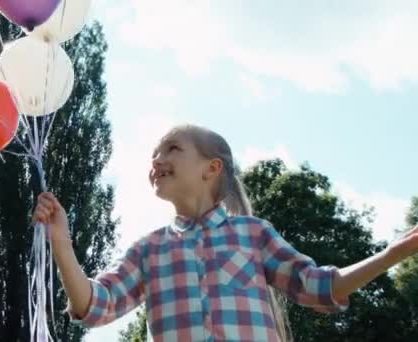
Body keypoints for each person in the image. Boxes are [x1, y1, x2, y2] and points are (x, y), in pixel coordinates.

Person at [33, 124, 418, 341]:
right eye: (154, 153)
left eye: (172, 148)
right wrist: (62, 244)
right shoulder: (148, 251)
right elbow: (96, 306)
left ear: (211, 167)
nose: (157, 159)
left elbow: (320, 287)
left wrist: (392, 255)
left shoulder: (253, 235)